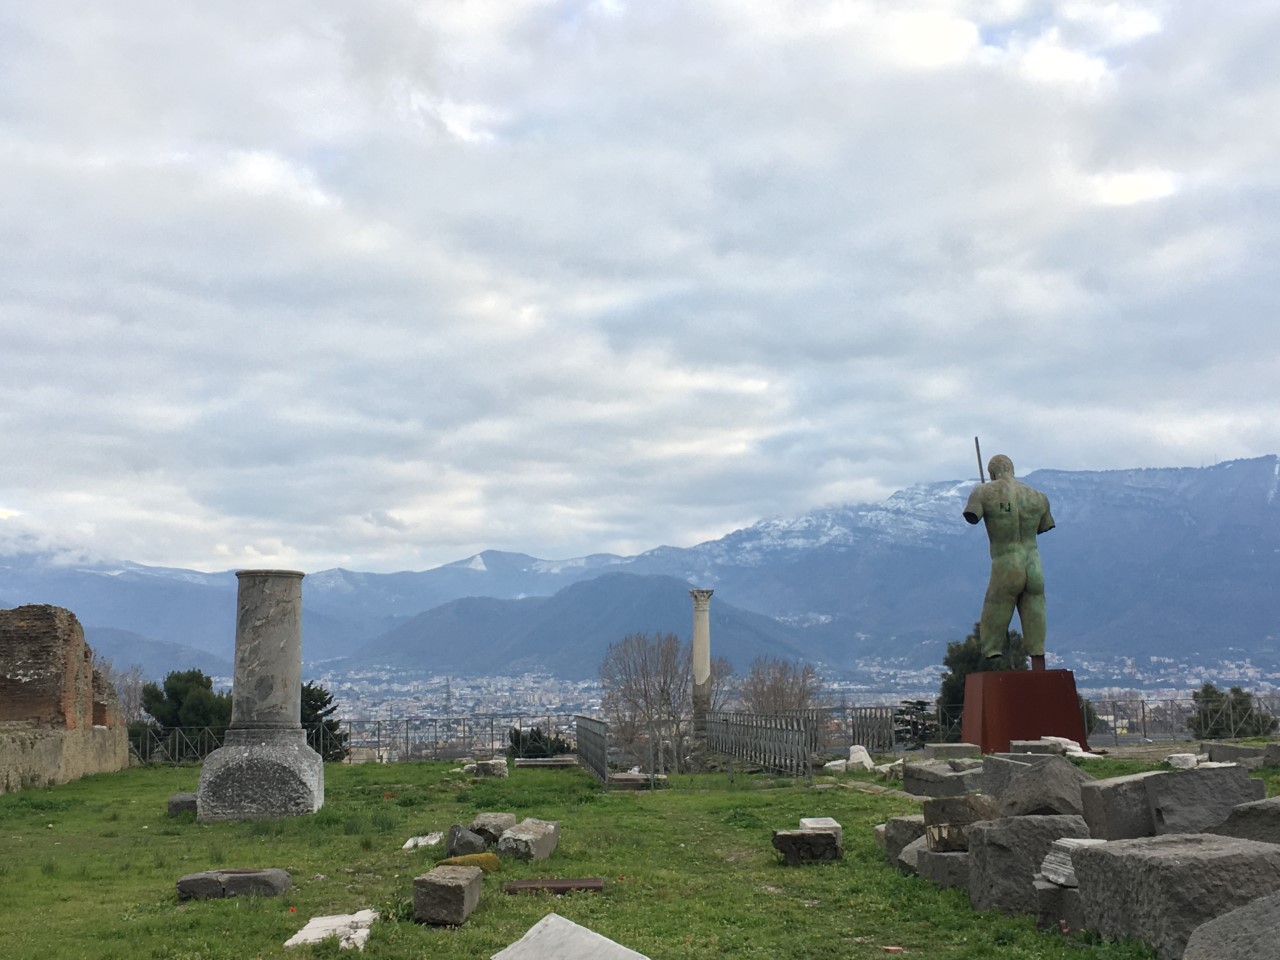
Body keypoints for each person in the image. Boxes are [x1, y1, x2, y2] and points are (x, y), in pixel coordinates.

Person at [963, 454, 1054, 671]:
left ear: (992, 473)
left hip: (1007, 564)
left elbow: (972, 515)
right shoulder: (1038, 497)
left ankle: (994, 660)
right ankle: (1038, 661)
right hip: (1033, 565)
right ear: (1012, 469)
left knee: (994, 610)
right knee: (1036, 611)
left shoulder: (983, 492)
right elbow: (1044, 527)